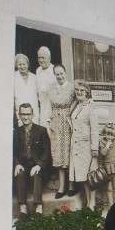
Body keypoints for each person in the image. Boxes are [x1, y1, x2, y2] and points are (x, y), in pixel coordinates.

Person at [13, 103, 51, 217]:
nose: (25, 117)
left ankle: (38, 207)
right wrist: (17, 164)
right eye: (23, 114)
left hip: (37, 165)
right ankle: (23, 208)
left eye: (28, 114)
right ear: (19, 115)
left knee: (37, 173)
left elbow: (47, 152)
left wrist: (39, 165)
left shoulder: (41, 131)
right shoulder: (16, 132)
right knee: (19, 173)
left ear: (33, 115)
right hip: (23, 165)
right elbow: (13, 152)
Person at [67, 80, 99, 209]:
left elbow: (95, 129)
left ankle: (92, 203)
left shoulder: (91, 107)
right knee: (83, 176)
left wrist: (94, 148)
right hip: (76, 146)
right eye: (77, 90)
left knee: (90, 175)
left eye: (82, 90)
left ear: (87, 93)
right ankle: (88, 201)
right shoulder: (75, 105)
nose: (79, 93)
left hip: (87, 146)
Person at [47, 64, 74, 199]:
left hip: (68, 122)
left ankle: (72, 185)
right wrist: (48, 122)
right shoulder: (51, 88)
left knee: (69, 152)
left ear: (65, 73)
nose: (60, 76)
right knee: (58, 153)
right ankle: (62, 186)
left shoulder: (72, 87)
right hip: (56, 123)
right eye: (57, 74)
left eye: (61, 73)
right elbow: (48, 106)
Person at [13, 53, 38, 126]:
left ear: (28, 64)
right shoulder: (13, 77)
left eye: (24, 64)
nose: (22, 66)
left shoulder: (34, 77)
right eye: (20, 64)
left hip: (34, 113)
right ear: (16, 65)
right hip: (21, 114)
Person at [36, 46, 57, 129]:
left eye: (43, 57)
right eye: (39, 57)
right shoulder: (38, 70)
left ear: (49, 58)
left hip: (52, 107)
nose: (41, 60)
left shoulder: (54, 70)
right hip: (42, 106)